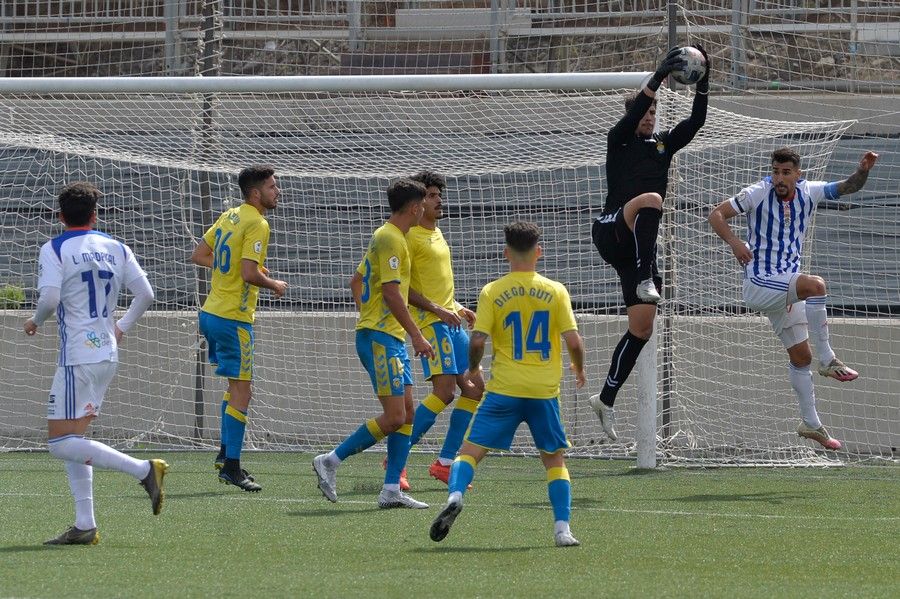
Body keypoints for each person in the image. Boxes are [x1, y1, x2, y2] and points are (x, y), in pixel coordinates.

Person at [708, 148, 879, 449]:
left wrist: (863, 171)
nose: (779, 178)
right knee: (816, 285)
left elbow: (847, 187)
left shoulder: (808, 192)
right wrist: (735, 242)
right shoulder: (758, 192)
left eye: (786, 172)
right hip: (760, 283)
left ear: (797, 174)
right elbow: (716, 214)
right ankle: (828, 360)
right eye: (775, 171)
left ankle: (811, 423)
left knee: (801, 358)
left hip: (784, 291)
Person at [429, 221, 587, 548]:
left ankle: (456, 495)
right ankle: (562, 530)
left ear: (505, 254)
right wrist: (578, 367)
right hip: (543, 392)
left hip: (503, 390)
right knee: (554, 461)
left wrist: (473, 370)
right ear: (538, 252)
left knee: (470, 452)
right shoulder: (556, 290)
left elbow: (477, 341)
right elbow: (574, 340)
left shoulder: (492, 291)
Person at [24, 182, 165, 545]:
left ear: (60, 216)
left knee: (59, 444)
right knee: (75, 439)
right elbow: (146, 294)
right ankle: (85, 525)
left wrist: (35, 321)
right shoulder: (116, 247)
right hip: (106, 353)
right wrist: (121, 327)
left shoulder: (54, 248)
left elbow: (51, 298)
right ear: (94, 215)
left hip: (78, 357)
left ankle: (143, 470)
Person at [589, 45, 710, 440]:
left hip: (637, 248)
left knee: (642, 327)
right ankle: (645, 278)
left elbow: (695, 123)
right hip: (612, 229)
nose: (648, 117)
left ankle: (605, 398)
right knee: (652, 200)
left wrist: (704, 82)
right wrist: (657, 78)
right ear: (633, 115)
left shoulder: (662, 146)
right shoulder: (618, 140)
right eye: (643, 112)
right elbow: (636, 111)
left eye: (653, 113)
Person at [352, 171, 484, 489]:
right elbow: (398, 287)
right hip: (431, 323)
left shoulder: (436, 234)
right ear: (416, 204)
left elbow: (434, 283)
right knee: (444, 392)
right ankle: (398, 460)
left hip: (449, 319)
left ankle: (444, 462)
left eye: (440, 195)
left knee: (476, 389)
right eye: (431, 196)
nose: (438, 201)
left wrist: (456, 305)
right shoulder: (405, 238)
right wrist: (436, 310)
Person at [313, 179, 436, 509]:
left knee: (407, 413)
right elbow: (392, 293)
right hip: (382, 338)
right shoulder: (391, 238)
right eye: (423, 204)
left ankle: (391, 489)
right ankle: (330, 460)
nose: (426, 209)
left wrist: (369, 315)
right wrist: (416, 334)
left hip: (385, 335)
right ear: (414, 208)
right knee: (395, 416)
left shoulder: (390, 238)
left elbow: (357, 280)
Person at [190, 165, 288, 492]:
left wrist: (235, 268)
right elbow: (248, 273)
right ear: (256, 193)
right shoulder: (258, 223)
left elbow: (201, 254)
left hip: (210, 313)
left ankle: (223, 454)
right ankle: (232, 466)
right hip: (234, 318)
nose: (277, 192)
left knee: (234, 388)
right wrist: (272, 282)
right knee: (243, 390)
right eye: (273, 187)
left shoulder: (231, 215)